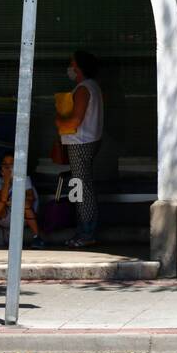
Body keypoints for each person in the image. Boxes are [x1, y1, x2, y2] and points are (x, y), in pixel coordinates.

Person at [55, 50, 103, 247]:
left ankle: (86, 232)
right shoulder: (92, 86)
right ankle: (84, 230)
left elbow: (75, 120)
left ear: (79, 68)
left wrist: (59, 122)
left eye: (72, 64)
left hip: (80, 143)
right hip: (88, 141)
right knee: (82, 185)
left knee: (81, 187)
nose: (70, 68)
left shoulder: (83, 89)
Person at [0, 154, 43, 249]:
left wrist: (17, 203)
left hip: (24, 217)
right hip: (6, 217)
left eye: (11, 164)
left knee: (25, 203)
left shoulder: (24, 179)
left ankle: (37, 237)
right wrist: (7, 180)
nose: (8, 168)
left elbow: (31, 197)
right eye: (5, 165)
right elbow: (3, 199)